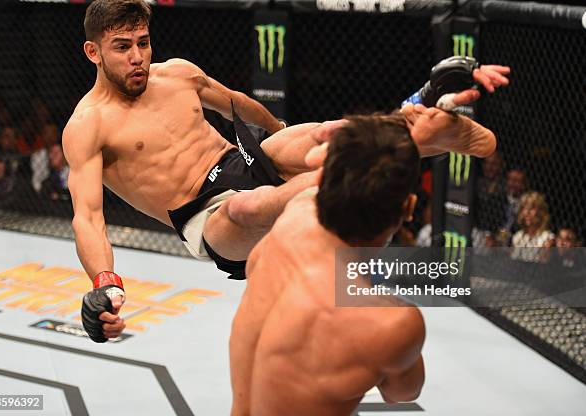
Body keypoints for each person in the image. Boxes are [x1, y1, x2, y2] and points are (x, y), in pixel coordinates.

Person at [68, 0, 510, 342]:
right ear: (93, 52)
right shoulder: (89, 125)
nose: (137, 57)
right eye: (122, 47)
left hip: (241, 161)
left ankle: (423, 103)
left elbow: (239, 103)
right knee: (250, 207)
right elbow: (88, 217)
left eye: (143, 42)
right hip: (206, 216)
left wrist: (283, 135)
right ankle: (380, 150)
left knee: (324, 134)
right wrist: (105, 282)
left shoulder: (178, 75)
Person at [230, 112, 442, 415]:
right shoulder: (392, 322)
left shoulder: (293, 216)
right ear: (409, 207)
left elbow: (352, 161)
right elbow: (403, 392)